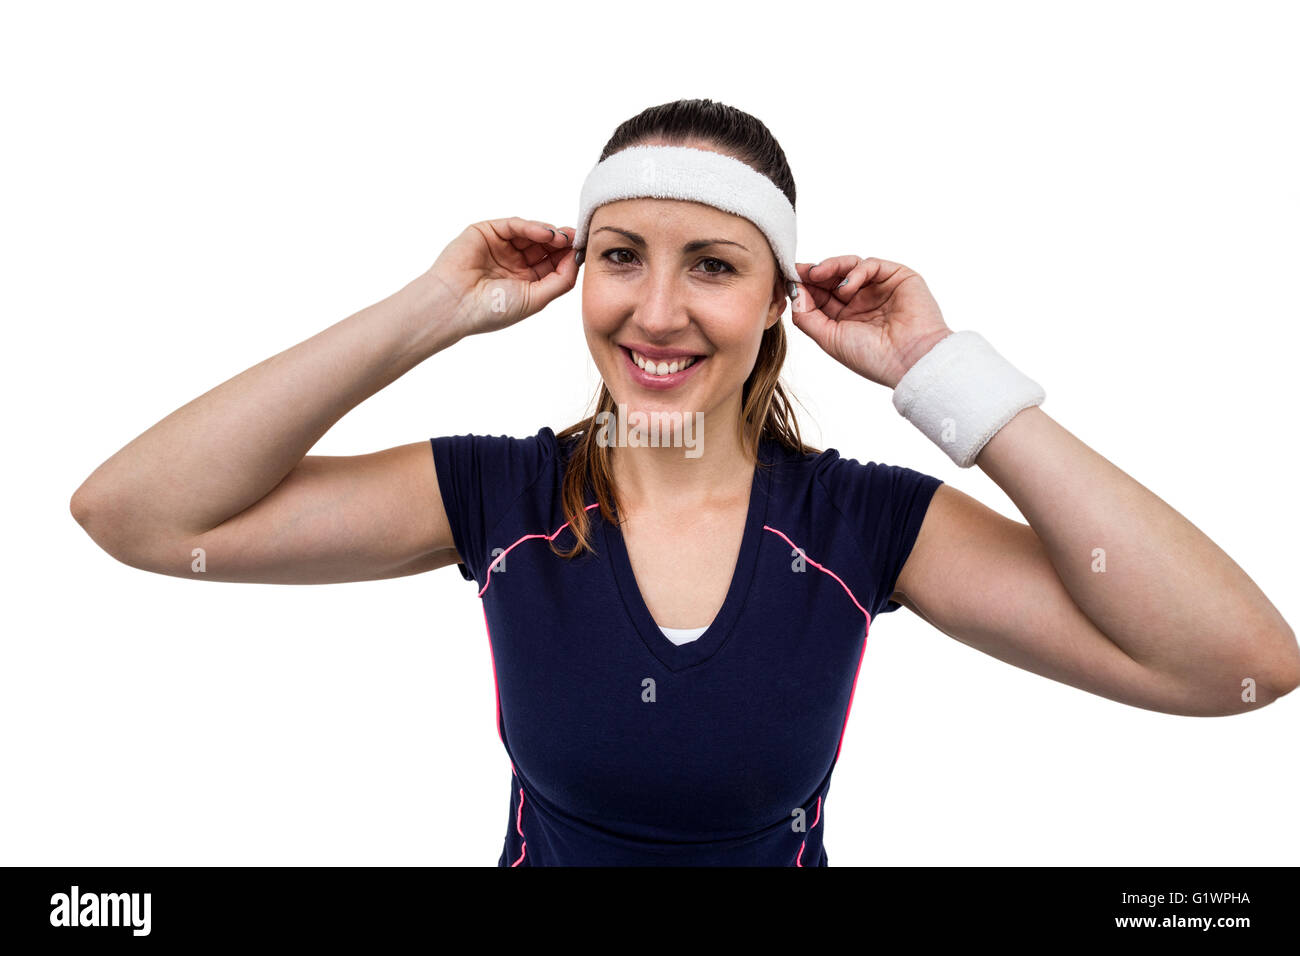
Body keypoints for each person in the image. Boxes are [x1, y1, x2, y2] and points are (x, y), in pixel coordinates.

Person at [70, 98, 1300, 866]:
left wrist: (940, 373)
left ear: (778, 303)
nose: (655, 312)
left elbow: (1234, 662)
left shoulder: (860, 523)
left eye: (711, 265)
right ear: (579, 277)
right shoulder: (503, 500)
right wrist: (431, 310)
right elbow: (138, 515)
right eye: (620, 258)